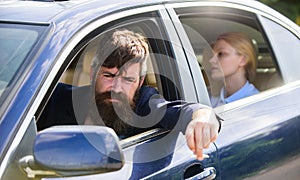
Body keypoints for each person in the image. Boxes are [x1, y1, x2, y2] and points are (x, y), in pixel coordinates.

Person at [37, 29, 221, 160]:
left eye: (127, 80)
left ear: (140, 82)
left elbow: (187, 111)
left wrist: (202, 118)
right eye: (108, 75)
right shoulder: (56, 98)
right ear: (93, 74)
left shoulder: (144, 104)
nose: (116, 88)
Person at [208, 32, 259, 107]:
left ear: (243, 60)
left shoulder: (257, 102)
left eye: (221, 54)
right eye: (212, 54)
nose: (211, 60)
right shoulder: (207, 95)